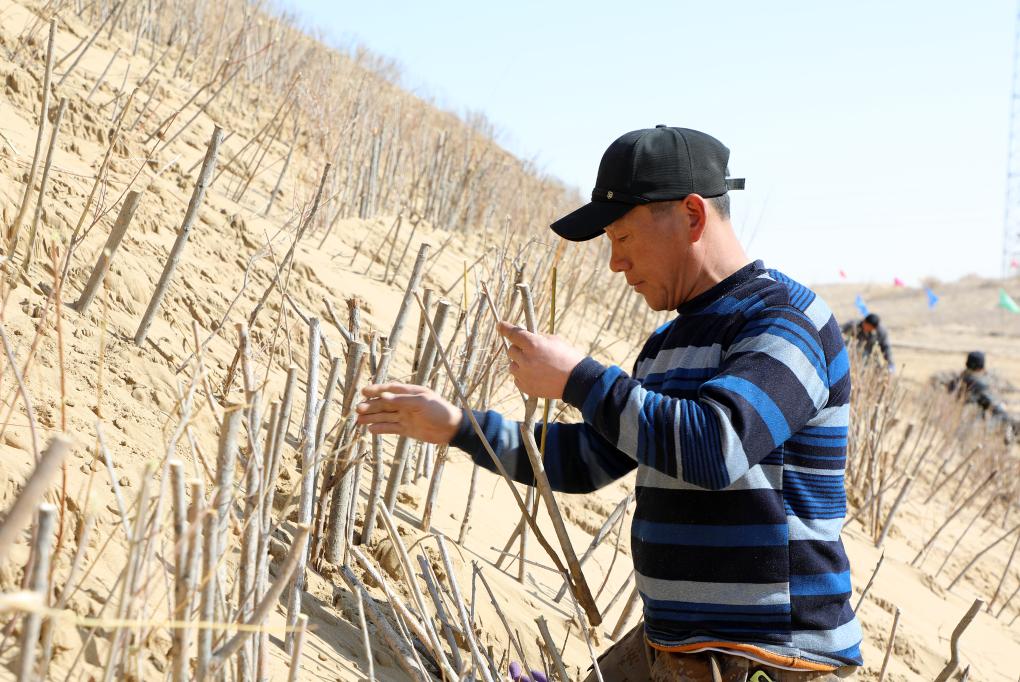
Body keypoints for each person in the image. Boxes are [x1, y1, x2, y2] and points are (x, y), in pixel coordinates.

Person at [356, 126, 862, 681]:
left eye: (622, 238)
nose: (615, 264)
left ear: (692, 216)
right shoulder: (668, 345)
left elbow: (718, 447)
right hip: (680, 648)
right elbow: (588, 460)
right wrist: (457, 426)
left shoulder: (784, 319)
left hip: (771, 658)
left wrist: (579, 378)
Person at [948, 351, 1016, 438]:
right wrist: (1007, 417)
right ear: (981, 367)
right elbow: (995, 406)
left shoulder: (957, 380)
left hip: (953, 423)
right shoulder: (978, 384)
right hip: (972, 426)